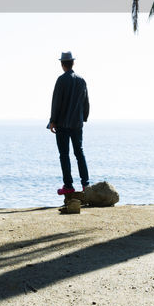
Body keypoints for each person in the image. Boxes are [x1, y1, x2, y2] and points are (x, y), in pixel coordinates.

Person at [48, 51, 89, 197]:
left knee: (64, 155)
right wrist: (83, 118)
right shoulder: (81, 80)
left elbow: (56, 102)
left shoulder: (61, 80)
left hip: (62, 125)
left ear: (62, 64)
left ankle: (68, 185)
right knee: (79, 153)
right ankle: (86, 184)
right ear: (73, 63)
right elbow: (86, 102)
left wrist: (52, 121)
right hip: (77, 124)